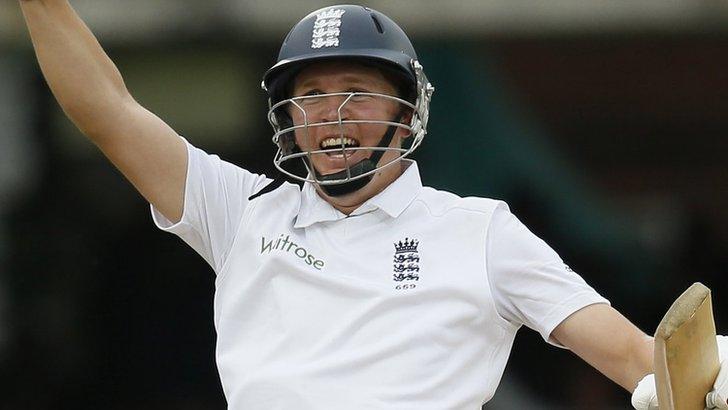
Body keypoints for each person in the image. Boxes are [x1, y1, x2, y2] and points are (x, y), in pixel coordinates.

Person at [17, 1, 728, 409]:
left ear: (409, 110)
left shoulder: (479, 232)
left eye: (356, 92)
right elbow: (105, 110)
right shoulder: (241, 212)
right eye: (312, 96)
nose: (331, 115)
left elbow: (634, 354)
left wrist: (697, 390)